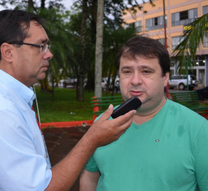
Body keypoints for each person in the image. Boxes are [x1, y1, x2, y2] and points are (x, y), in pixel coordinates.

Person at [0, 10, 135, 191]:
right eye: (40, 46)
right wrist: (91, 140)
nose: (49, 54)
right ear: (8, 52)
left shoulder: (6, 98)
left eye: (47, 46)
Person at [79, 36, 208, 191]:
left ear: (165, 77)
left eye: (146, 71)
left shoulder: (198, 129)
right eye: (127, 71)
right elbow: (90, 175)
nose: (135, 80)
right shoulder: (103, 123)